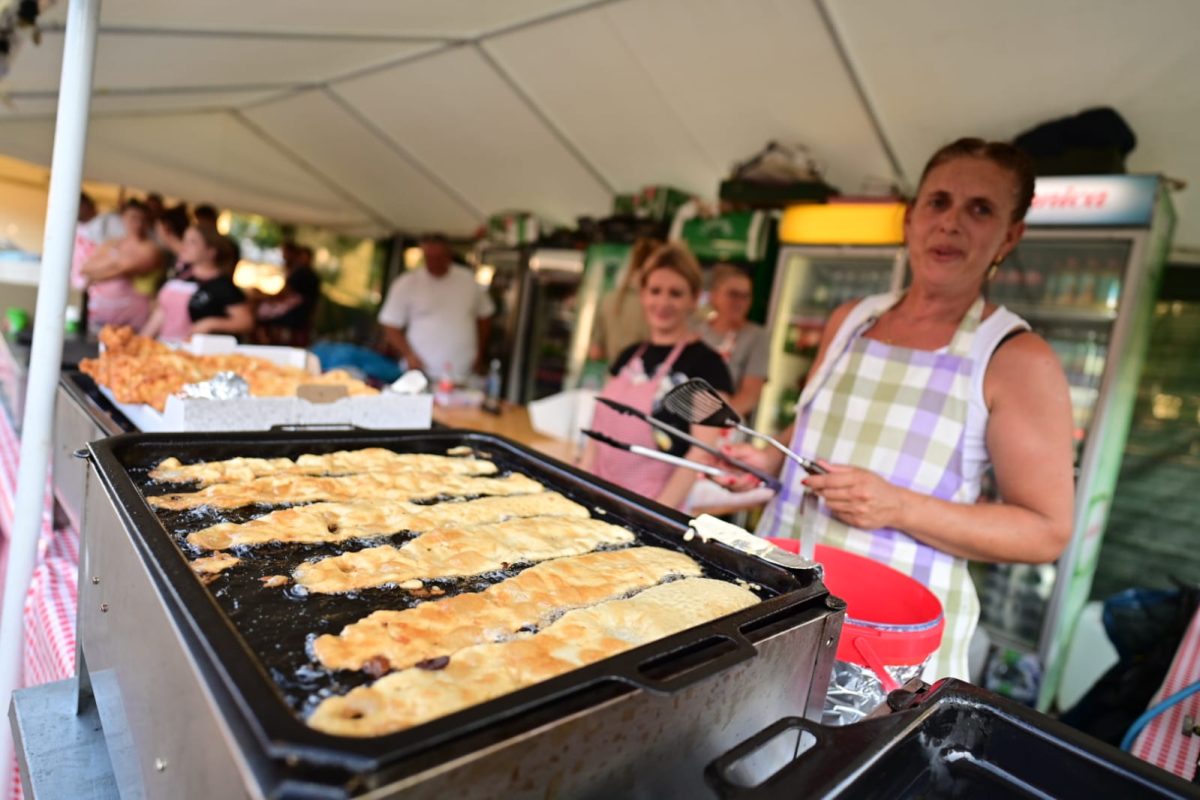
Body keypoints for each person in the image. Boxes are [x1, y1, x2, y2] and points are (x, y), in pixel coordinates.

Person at [721, 138, 1075, 682]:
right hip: (775, 600)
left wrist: (899, 507)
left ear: (1010, 234)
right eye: (938, 202)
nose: (951, 223)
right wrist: (766, 462)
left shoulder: (1014, 357)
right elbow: (814, 428)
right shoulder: (850, 321)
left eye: (980, 209)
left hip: (888, 647)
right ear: (910, 219)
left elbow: (1046, 531)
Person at [578, 243, 734, 510]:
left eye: (675, 293)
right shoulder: (628, 357)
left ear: (694, 298)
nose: (662, 302)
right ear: (643, 294)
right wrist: (577, 484)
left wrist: (656, 514)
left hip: (649, 509)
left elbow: (702, 452)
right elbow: (596, 437)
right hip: (592, 497)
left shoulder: (707, 365)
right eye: (655, 291)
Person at [377, 234, 495, 380]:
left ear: (449, 256)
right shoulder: (407, 283)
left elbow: (485, 316)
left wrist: (479, 353)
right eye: (429, 257)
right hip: (419, 372)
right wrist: (408, 354)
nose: (433, 262)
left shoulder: (467, 279)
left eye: (438, 257)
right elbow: (390, 323)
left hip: (462, 371)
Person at [141, 225, 251, 340]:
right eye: (185, 241)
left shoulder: (223, 286)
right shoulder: (181, 275)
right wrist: (142, 339)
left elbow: (245, 322)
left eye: (192, 242)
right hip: (166, 345)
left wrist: (211, 323)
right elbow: (162, 312)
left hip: (198, 352)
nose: (184, 247)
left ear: (210, 252)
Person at [696, 263, 770, 419]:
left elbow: (750, 396)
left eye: (745, 296)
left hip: (723, 423)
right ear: (714, 296)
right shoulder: (696, 330)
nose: (740, 302)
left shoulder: (756, 336)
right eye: (733, 294)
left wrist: (713, 420)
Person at [80, 199, 162, 332]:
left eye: (141, 219)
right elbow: (85, 268)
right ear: (123, 218)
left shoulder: (150, 248)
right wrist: (116, 260)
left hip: (133, 319)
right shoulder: (112, 243)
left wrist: (103, 268)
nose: (137, 223)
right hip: (102, 316)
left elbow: (125, 268)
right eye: (133, 218)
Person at [588, 237, 660, 363]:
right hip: (652, 379)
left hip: (616, 379)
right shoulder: (660, 305)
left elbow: (595, 352)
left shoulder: (609, 299)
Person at [255, 244, 321, 345]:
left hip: (296, 314)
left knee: (261, 316)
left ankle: (265, 344)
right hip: (302, 314)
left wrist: (264, 297)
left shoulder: (301, 273)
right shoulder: (309, 274)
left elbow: (285, 294)